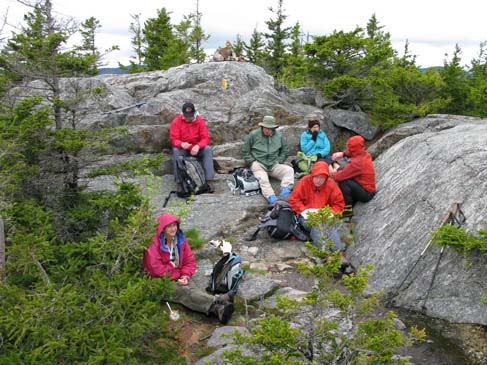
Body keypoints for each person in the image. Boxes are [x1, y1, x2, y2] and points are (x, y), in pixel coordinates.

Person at [144, 213, 234, 324]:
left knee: (191, 288)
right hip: (159, 281)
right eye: (169, 226)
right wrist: (174, 271)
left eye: (174, 225)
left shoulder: (180, 240)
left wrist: (185, 275)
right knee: (184, 291)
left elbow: (189, 261)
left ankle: (218, 308)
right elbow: (155, 269)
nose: (173, 229)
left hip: (178, 274)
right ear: (163, 228)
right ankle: (217, 302)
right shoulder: (154, 244)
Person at [289, 161, 346, 256]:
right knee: (317, 224)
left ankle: (339, 253)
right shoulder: (304, 182)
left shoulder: (331, 185)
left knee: (329, 225)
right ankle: (325, 254)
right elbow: (294, 200)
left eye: (322, 178)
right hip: (306, 216)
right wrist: (304, 211)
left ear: (326, 178)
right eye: (316, 177)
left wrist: (329, 213)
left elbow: (339, 204)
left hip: (325, 215)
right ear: (312, 175)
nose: (319, 180)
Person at [242, 116, 295, 205]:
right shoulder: (253, 135)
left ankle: (285, 192)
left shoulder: (279, 136)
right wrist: (251, 161)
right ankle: (272, 198)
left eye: (270, 128)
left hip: (273, 164)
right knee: (263, 178)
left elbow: (285, 150)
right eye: (266, 128)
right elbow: (245, 151)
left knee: (289, 170)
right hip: (259, 163)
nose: (267, 130)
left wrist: (279, 160)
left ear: (273, 128)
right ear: (262, 126)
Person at [169, 102, 215, 191]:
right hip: (184, 149)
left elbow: (206, 138)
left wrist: (198, 146)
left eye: (190, 115)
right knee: (176, 151)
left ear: (194, 113)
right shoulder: (176, 121)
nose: (188, 118)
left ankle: (209, 181)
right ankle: (179, 182)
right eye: (186, 116)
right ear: (182, 113)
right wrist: (181, 144)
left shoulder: (200, 121)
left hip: (197, 149)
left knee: (208, 150)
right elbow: (174, 139)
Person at [330, 135, 376, 213]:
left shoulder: (357, 163)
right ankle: (352, 199)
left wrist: (332, 172)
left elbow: (338, 177)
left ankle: (347, 209)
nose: (348, 149)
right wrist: (343, 154)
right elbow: (354, 153)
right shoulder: (364, 154)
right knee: (342, 170)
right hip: (367, 187)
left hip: (367, 193)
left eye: (350, 148)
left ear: (353, 149)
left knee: (344, 182)